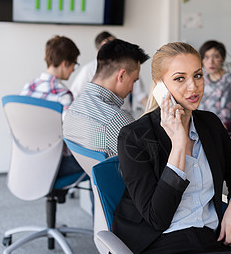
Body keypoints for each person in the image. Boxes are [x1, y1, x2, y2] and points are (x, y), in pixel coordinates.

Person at [113, 42, 231, 254]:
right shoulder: (135, 137)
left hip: (209, 238)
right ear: (159, 86)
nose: (193, 87)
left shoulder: (210, 124)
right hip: (160, 241)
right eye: (180, 78)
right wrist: (180, 144)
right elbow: (157, 218)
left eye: (198, 75)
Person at [63, 39, 149, 156]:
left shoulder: (73, 108)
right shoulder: (117, 120)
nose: (132, 89)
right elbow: (150, 163)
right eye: (133, 81)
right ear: (122, 75)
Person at [20, 35, 83, 177]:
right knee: (99, 164)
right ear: (65, 63)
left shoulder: (28, 87)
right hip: (55, 164)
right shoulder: (63, 95)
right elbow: (72, 136)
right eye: (74, 64)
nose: (74, 69)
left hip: (27, 160)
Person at [70, 31, 148, 118]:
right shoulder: (88, 70)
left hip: (125, 115)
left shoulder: (131, 69)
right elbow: (74, 95)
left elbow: (141, 95)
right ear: (99, 52)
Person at [198, 40, 231, 123]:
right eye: (206, 57)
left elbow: (226, 115)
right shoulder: (202, 78)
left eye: (216, 56)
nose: (211, 62)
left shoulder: (229, 81)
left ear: (223, 59)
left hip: (219, 127)